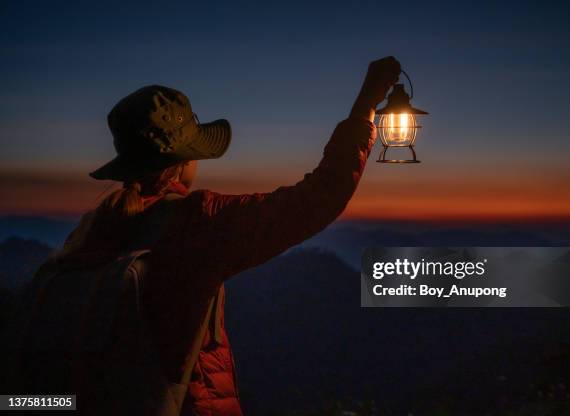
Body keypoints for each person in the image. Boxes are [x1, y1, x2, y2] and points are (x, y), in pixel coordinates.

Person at [28, 56, 401, 416]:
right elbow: (317, 198)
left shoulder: (91, 229)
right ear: (185, 159)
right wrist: (365, 105)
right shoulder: (197, 222)